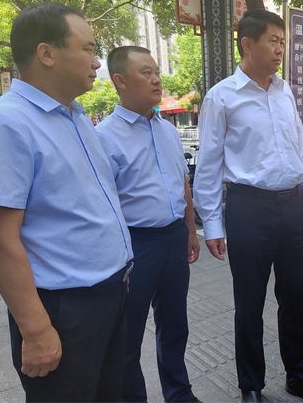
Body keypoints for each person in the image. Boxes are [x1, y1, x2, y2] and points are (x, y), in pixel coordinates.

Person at [0, 3, 133, 401]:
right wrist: (36, 329)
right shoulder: (5, 122)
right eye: (88, 49)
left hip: (110, 294)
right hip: (63, 310)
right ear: (46, 53)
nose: (96, 61)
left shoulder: (76, 116)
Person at [193, 9, 303, 403]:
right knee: (249, 302)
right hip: (249, 208)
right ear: (247, 44)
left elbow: (301, 147)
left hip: (292, 205)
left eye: (282, 42)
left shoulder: (284, 91)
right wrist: (213, 225)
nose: (279, 49)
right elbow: (209, 165)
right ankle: (251, 386)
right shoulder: (222, 97)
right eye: (273, 41)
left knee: (298, 298)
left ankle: (299, 376)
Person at [95, 46, 200, 403]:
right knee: (128, 334)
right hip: (135, 245)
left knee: (175, 325)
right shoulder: (104, 137)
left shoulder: (168, 130)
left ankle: (179, 393)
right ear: (120, 81)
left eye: (157, 71)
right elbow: (104, 204)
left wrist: (190, 230)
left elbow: (182, 184)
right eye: (146, 72)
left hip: (173, 238)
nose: (156, 79)